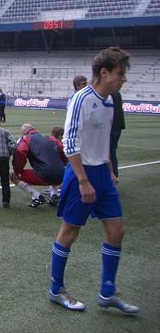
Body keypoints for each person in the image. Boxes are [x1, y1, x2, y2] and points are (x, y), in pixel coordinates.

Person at [49, 46, 139, 314]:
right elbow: (70, 143)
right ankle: (56, 289)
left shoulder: (111, 100)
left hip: (102, 173)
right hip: (81, 174)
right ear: (104, 72)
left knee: (117, 230)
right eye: (120, 73)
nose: (123, 78)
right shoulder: (81, 99)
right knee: (70, 231)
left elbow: (104, 142)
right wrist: (83, 181)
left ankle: (107, 291)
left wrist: (110, 170)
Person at [10, 123, 68, 208]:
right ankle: (54, 195)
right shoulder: (51, 138)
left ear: (24, 132)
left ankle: (37, 196)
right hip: (61, 174)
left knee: (12, 175)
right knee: (54, 166)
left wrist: (17, 170)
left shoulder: (26, 139)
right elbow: (63, 152)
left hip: (45, 175)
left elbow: (21, 153)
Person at [110, 91, 124, 178]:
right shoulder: (116, 93)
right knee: (112, 153)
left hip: (111, 127)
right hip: (117, 126)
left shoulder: (108, 93)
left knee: (108, 154)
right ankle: (114, 176)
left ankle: (112, 177)